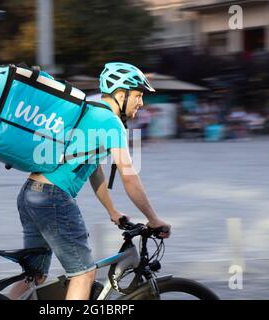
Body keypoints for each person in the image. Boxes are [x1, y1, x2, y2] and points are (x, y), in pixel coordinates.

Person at [9, 62, 171, 300]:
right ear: (121, 94)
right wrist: (154, 219)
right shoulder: (111, 122)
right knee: (83, 274)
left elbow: (93, 169)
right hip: (52, 198)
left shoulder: (89, 111)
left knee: (36, 276)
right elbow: (129, 177)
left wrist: (112, 211)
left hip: (30, 194)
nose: (141, 102)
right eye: (138, 95)